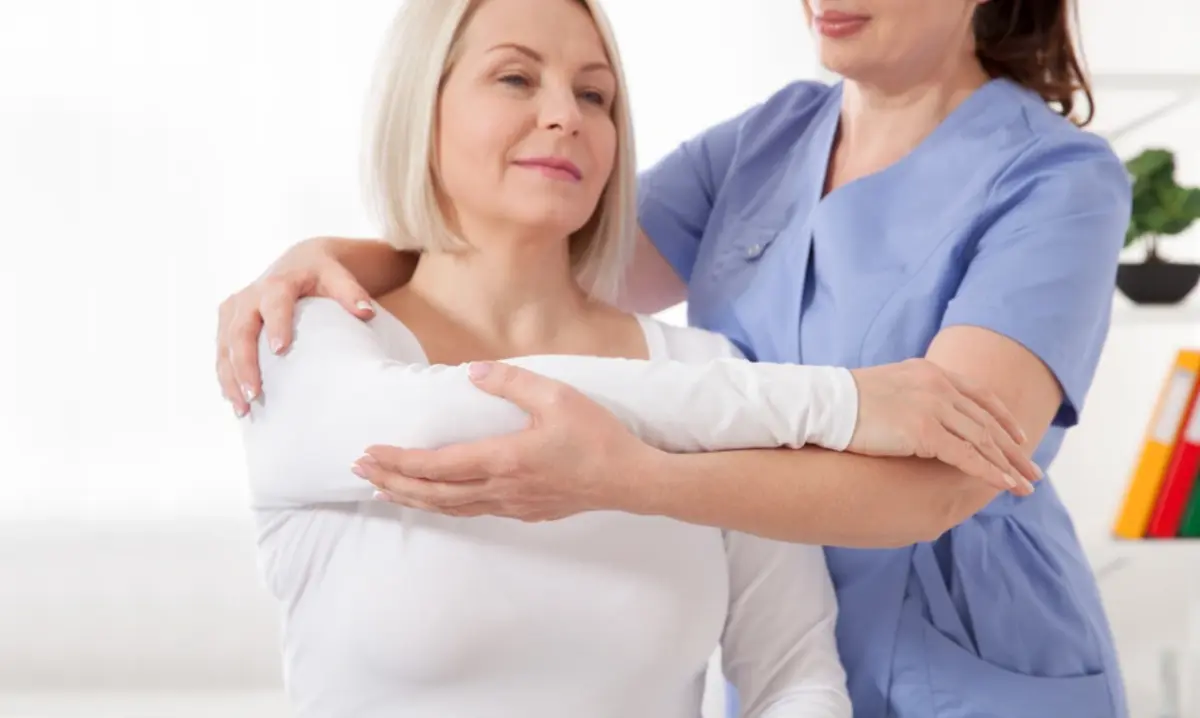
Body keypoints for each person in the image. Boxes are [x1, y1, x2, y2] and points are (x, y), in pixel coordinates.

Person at [218, 0, 1132, 716]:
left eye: (592, 95)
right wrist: (338, 264)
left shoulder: (1056, 182)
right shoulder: (769, 142)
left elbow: (941, 485)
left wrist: (630, 477)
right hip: (775, 640)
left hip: (976, 667)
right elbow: (531, 252)